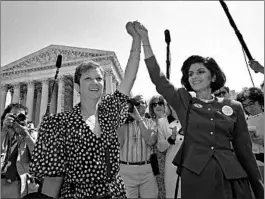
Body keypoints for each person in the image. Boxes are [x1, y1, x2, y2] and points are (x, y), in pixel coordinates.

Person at [132, 21, 264, 199]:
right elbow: (159, 79)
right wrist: (145, 41)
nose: (194, 76)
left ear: (213, 76)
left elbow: (245, 151)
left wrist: (259, 190)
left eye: (200, 71)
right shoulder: (184, 101)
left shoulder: (234, 106)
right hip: (196, 177)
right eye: (190, 74)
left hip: (232, 179)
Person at [29, 21, 141, 199]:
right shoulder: (56, 123)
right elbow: (53, 178)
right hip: (77, 194)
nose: (95, 82)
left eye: (99, 78)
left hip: (114, 193)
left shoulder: (110, 112)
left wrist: (137, 40)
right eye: (88, 78)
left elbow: (129, 77)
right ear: (77, 87)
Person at [117, 95, 158, 198]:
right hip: (126, 170)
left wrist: (139, 119)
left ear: (146, 105)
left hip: (147, 170)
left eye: (141, 103)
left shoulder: (151, 123)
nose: (138, 106)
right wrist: (122, 118)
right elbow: (119, 144)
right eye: (135, 103)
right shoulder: (122, 123)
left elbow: (150, 141)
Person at [148, 95, 182, 199]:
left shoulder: (188, 119)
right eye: (154, 104)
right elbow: (159, 146)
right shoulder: (157, 122)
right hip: (164, 163)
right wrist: (170, 139)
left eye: (160, 103)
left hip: (187, 164)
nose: (157, 106)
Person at [1, 103, 38, 198]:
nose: (17, 119)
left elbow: (39, 155)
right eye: (14, 115)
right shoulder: (2, 131)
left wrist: (26, 135)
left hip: (21, 182)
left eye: (21, 116)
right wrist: (4, 131)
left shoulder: (31, 133)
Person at [236, 87, 264, 163]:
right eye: (245, 105)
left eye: (251, 103)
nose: (249, 108)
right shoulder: (244, 121)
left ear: (260, 101)